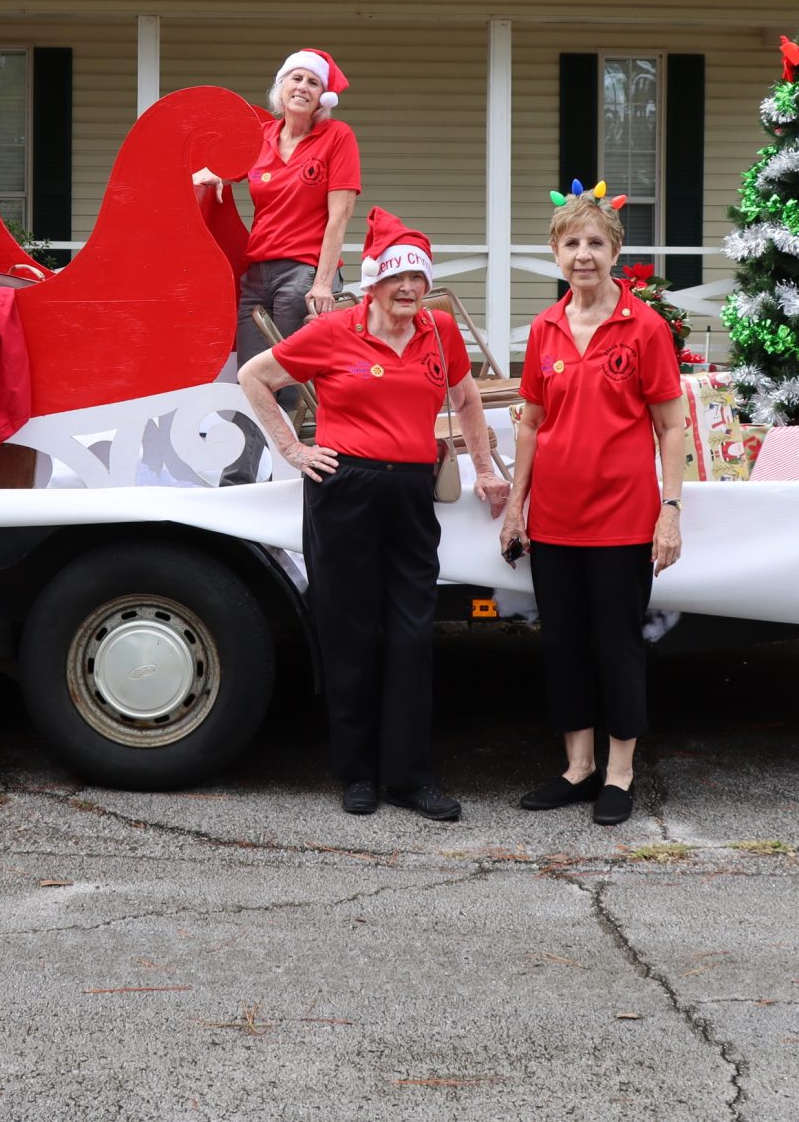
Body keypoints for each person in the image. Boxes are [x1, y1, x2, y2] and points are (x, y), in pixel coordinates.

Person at [239, 208, 510, 822]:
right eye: (396, 277)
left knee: (413, 634)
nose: (410, 288)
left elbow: (466, 400)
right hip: (345, 490)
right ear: (373, 282)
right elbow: (255, 376)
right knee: (349, 631)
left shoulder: (439, 331)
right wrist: (292, 448)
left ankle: (410, 777)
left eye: (417, 276)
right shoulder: (334, 330)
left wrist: (486, 467)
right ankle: (356, 774)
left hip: (412, 490)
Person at [499, 185, 687, 827]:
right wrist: (514, 506)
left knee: (617, 646)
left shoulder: (645, 328)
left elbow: (671, 426)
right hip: (554, 519)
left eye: (595, 244)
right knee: (564, 646)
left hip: (622, 520)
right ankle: (576, 769)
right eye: (572, 243)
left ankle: (621, 773)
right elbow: (529, 423)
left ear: (616, 252)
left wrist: (670, 509)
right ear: (556, 253)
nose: (584, 255)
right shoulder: (545, 330)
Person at [200, 49, 362, 483]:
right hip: (256, 275)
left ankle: (285, 480)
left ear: (324, 97)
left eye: (313, 82)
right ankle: (242, 483)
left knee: (285, 382)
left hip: (304, 272)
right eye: (296, 79)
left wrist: (323, 282)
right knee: (249, 379)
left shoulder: (337, 137)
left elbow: (340, 215)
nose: (303, 88)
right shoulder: (262, 138)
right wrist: (213, 176)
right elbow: (230, 169)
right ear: (280, 88)